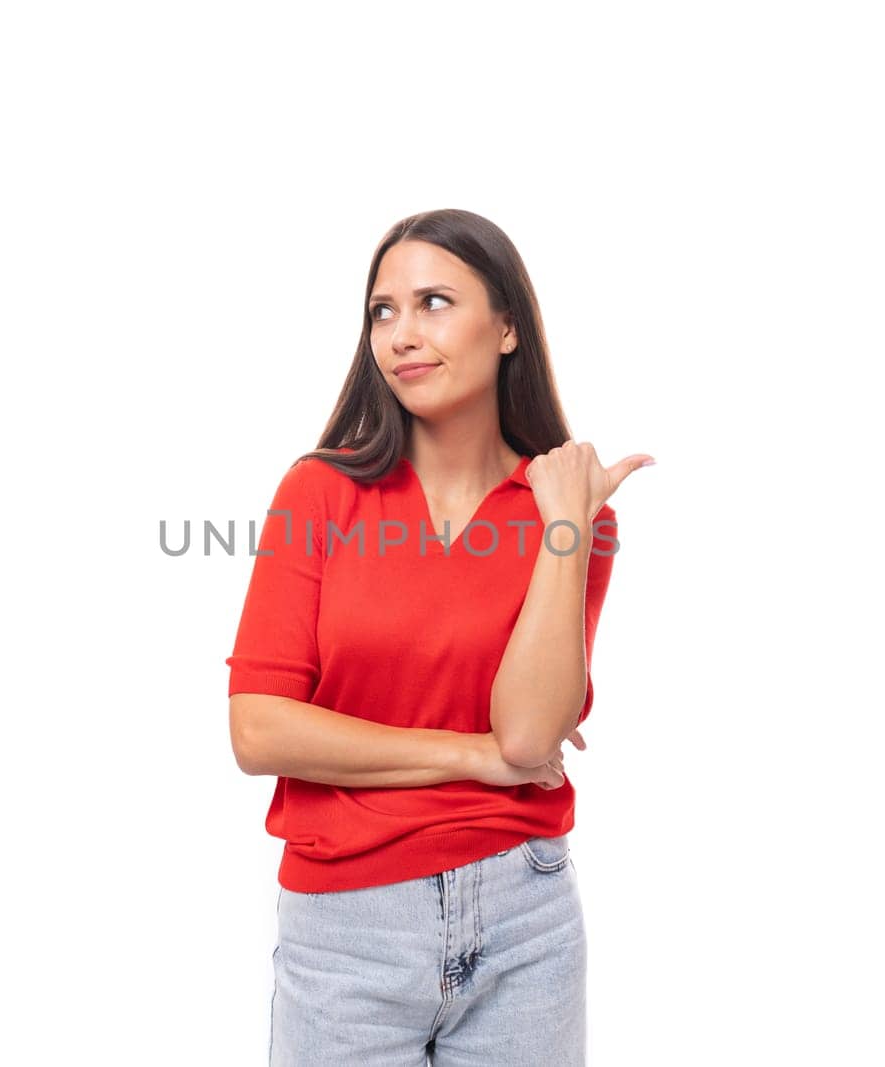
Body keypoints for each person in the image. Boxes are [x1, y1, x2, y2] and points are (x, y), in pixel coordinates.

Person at [225, 208, 654, 1065]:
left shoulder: (569, 521)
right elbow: (259, 730)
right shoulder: (321, 494)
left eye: (432, 303)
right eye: (382, 311)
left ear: (506, 328)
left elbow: (531, 734)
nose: (401, 335)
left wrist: (564, 527)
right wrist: (473, 758)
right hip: (348, 923)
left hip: (524, 918)